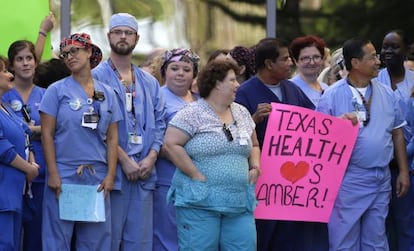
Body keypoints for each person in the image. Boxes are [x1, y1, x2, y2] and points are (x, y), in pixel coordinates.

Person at [317, 37, 410, 251]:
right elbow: (318, 140)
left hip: (382, 177)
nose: (378, 61)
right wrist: (337, 126)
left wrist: (403, 171)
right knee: (343, 241)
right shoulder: (331, 96)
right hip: (348, 179)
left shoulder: (387, 93)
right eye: (372, 57)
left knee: (376, 241)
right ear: (355, 63)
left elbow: (397, 133)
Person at [164, 59, 261, 250]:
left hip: (238, 203)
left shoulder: (242, 112)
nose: (238, 85)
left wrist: (255, 166)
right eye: (232, 80)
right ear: (217, 83)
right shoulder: (192, 113)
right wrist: (195, 175)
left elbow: (255, 144)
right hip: (200, 202)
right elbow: (170, 144)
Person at [40, 33, 121, 251]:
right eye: (65, 54)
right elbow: (47, 134)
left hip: (97, 176)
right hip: (64, 174)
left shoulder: (108, 93)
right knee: (58, 239)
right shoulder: (56, 91)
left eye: (74, 51)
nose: (69, 57)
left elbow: (113, 137)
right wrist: (54, 173)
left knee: (96, 240)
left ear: (89, 52)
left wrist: (111, 175)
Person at [92, 13, 166, 251]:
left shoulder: (149, 82)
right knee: (107, 241)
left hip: (144, 171)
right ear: (109, 36)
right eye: (118, 32)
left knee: (140, 243)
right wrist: (123, 159)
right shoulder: (94, 78)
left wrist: (151, 157)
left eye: (128, 32)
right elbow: (94, 125)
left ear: (137, 38)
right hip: (112, 172)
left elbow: (161, 122)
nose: (123, 37)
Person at [235, 37, 317, 251]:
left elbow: (315, 123)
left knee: (291, 237)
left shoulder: (292, 90)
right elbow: (232, 135)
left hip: (293, 182)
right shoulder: (245, 93)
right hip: (263, 182)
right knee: (265, 235)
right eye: (285, 59)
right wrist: (253, 119)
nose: (290, 62)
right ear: (269, 64)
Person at [153, 48, 200, 251]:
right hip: (168, 179)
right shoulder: (156, 98)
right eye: (174, 68)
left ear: (194, 75)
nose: (180, 73)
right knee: (168, 234)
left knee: (196, 235)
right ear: (164, 72)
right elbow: (154, 139)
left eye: (186, 69)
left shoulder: (202, 100)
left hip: (200, 181)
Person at [2, 39, 45, 251]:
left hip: (37, 175)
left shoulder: (46, 94)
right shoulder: (5, 96)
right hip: (10, 179)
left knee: (34, 238)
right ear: (11, 66)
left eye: (30, 58)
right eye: (19, 59)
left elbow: (51, 129)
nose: (25, 63)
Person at [375, 29, 414, 251]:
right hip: (379, 167)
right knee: (381, 225)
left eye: (394, 46)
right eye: (385, 47)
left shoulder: (413, 83)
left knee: (407, 223)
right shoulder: (373, 80)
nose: (388, 51)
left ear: (407, 49)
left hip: (408, 166)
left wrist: (400, 158)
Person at [290, 35, 328, 107]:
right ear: (296, 61)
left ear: (322, 59)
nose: (312, 62)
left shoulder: (326, 88)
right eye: (305, 58)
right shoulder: (290, 88)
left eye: (316, 57)